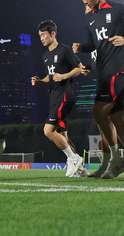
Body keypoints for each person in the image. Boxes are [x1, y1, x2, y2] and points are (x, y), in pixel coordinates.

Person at [72, 0, 124, 179]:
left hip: (119, 69)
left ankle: (117, 161)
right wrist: (82, 47)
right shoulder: (89, 17)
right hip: (102, 72)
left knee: (98, 112)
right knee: (115, 120)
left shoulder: (120, 9)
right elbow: (93, 43)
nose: (84, 1)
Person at [31, 20, 88, 177]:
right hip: (54, 97)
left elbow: (80, 68)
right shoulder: (45, 55)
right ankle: (81, 168)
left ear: (53, 34)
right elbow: (51, 77)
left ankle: (73, 159)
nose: (41, 38)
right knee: (63, 135)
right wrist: (40, 82)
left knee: (48, 131)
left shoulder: (65, 50)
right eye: (40, 36)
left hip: (65, 95)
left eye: (43, 35)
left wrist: (64, 76)